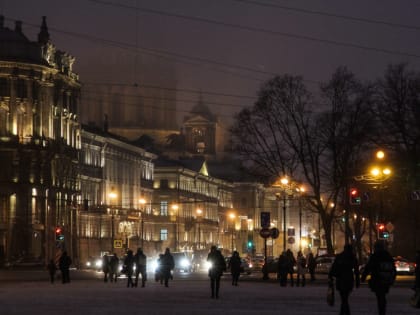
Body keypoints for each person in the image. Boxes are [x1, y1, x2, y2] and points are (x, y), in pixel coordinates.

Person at [361, 241, 396, 315]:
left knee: (380, 296)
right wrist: (392, 278)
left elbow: (368, 267)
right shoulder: (387, 255)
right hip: (386, 279)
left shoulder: (375, 256)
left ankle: (381, 311)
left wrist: (363, 277)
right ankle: (382, 310)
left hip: (377, 279)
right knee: (382, 296)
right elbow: (393, 268)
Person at [329, 244, 360, 315]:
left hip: (340, 279)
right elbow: (356, 271)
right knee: (345, 298)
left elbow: (334, 267)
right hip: (349, 279)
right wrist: (357, 281)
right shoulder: (352, 257)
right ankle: (345, 312)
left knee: (343, 298)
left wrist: (330, 276)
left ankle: (344, 312)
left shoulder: (339, 257)